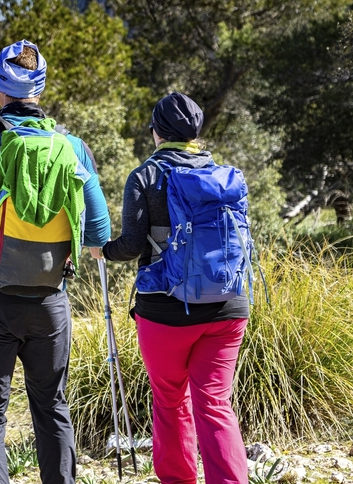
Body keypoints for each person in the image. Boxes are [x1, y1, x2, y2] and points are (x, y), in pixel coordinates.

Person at [0, 40, 111, 484]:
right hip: (51, 300)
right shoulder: (71, 146)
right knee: (51, 407)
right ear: (40, 88)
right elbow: (100, 233)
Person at [102, 92, 250, 484]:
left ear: (157, 132)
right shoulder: (223, 176)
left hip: (166, 311)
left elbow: (131, 245)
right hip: (228, 306)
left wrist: (103, 250)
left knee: (170, 400)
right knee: (216, 404)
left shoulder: (146, 175)